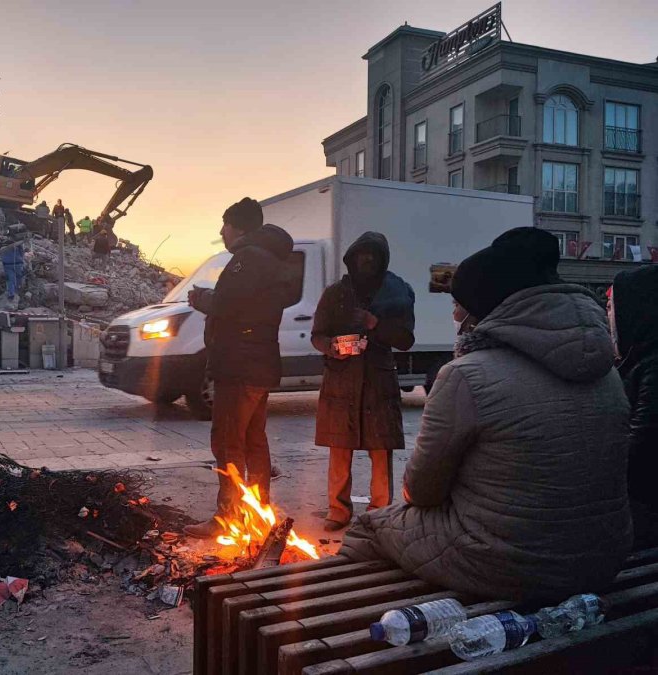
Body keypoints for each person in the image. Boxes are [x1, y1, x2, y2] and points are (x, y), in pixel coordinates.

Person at [339, 228, 632, 600]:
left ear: (486, 311)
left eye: (462, 307)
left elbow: (422, 492)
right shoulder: (608, 372)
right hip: (604, 558)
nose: (457, 316)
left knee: (370, 526)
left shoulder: (466, 375)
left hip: (511, 565)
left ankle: (345, 629)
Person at [183, 198, 294, 538]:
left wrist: (199, 298)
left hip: (239, 365)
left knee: (229, 441)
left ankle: (227, 517)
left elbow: (227, 305)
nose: (221, 231)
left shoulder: (247, 259)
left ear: (239, 227)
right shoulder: (272, 260)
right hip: (259, 364)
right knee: (254, 440)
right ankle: (258, 512)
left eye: (225, 224)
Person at [311, 233, 415, 531]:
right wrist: (331, 347)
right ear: (353, 257)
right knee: (339, 448)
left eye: (373, 255)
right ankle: (338, 510)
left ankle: (379, 513)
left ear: (381, 260)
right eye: (362, 254)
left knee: (381, 450)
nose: (366, 260)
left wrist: (376, 324)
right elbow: (318, 334)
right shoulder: (335, 294)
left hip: (378, 382)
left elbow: (406, 339)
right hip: (341, 382)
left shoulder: (397, 293)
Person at [609, 266, 658, 548]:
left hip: (645, 522)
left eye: (612, 306)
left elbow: (640, 453)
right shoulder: (640, 360)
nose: (609, 316)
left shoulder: (651, 366)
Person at [0, 229, 27, 302]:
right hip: (16, 264)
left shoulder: (2, 243)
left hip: (9, 264)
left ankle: (12, 294)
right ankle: (15, 292)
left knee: (11, 279)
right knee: (16, 278)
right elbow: (22, 253)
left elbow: (0, 253)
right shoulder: (18, 243)